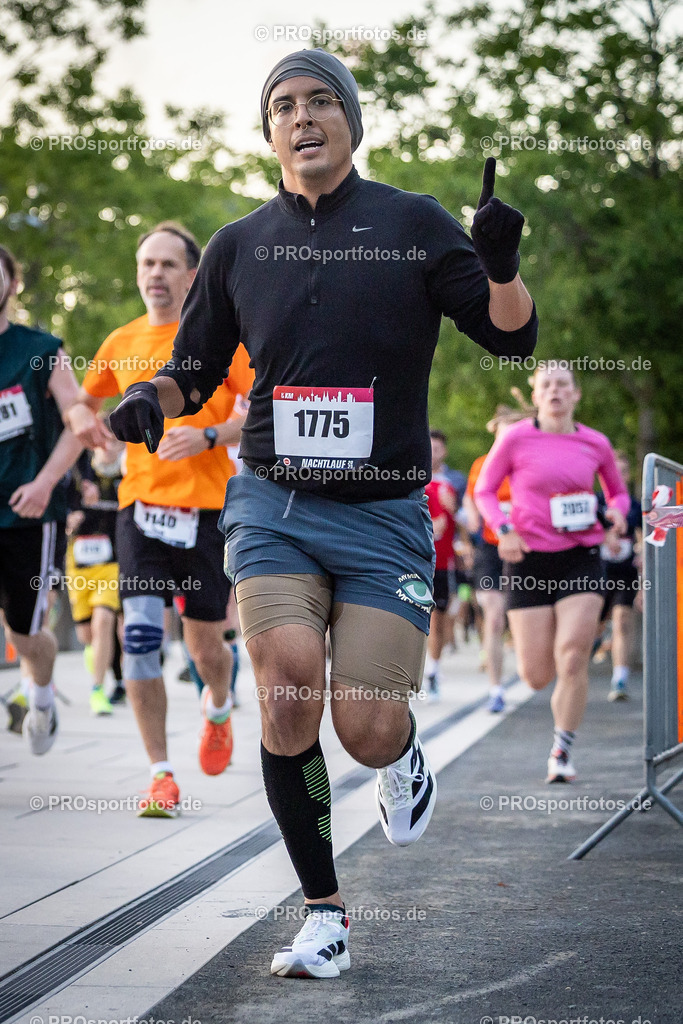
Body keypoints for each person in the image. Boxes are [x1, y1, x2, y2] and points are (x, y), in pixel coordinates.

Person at [108, 49, 538, 976]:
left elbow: (512, 335)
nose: (302, 118)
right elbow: (191, 369)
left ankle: (402, 756)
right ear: (268, 132)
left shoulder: (413, 223)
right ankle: (324, 911)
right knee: (289, 685)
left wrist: (499, 265)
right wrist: (154, 403)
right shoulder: (237, 244)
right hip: (272, 502)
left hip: (382, 514)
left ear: (349, 120)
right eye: (284, 107)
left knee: (366, 727)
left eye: (319, 103)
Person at [66, 222, 253, 816]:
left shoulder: (222, 342)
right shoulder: (120, 342)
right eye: (147, 263)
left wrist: (206, 434)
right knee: (141, 637)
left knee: (206, 647)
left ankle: (217, 707)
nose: (155, 274)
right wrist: (82, 424)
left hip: (206, 513)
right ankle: (161, 775)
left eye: (169, 264)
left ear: (193, 276)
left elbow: (264, 407)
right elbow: (81, 398)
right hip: (140, 510)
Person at [474, 365, 628, 783]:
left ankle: (561, 751)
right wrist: (502, 531)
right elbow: (484, 490)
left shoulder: (595, 442)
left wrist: (617, 511)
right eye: (547, 385)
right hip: (527, 559)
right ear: (536, 394)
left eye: (563, 384)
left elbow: (618, 492)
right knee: (537, 674)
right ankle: (552, 710)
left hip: (581, 555)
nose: (555, 391)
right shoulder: (516, 438)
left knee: (573, 655)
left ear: (576, 394)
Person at [0, 245, 106, 753]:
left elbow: (73, 417)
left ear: (12, 284)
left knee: (25, 631)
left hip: (27, 511)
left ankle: (40, 692)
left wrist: (45, 484)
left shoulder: (40, 348)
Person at [463, 402, 530, 712]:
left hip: (526, 546)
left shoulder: (529, 463)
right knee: (493, 614)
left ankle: (529, 670)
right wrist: (474, 515)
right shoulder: (481, 464)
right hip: (490, 548)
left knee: (519, 617)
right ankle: (496, 689)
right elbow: (472, 495)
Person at [64, 430, 125, 715]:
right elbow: (58, 503)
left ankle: (97, 689)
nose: (109, 447)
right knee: (86, 634)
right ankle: (97, 658)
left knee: (104, 621)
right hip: (79, 563)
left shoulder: (127, 474)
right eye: (104, 441)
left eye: (115, 442)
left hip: (112, 563)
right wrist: (71, 516)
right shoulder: (78, 470)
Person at [598, 451, 642, 701]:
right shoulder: (593, 502)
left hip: (626, 571)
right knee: (592, 624)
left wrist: (643, 552)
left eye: (624, 472)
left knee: (623, 620)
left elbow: (643, 535)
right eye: (616, 471)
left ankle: (620, 680)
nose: (619, 476)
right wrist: (605, 536)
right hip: (595, 572)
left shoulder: (635, 505)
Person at [424, 431, 458, 698]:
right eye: (430, 447)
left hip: (443, 563)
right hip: (413, 561)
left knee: (439, 621)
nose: (433, 452)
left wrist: (455, 510)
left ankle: (433, 670)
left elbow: (468, 524)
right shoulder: (409, 478)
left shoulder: (453, 483)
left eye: (438, 448)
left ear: (444, 451)